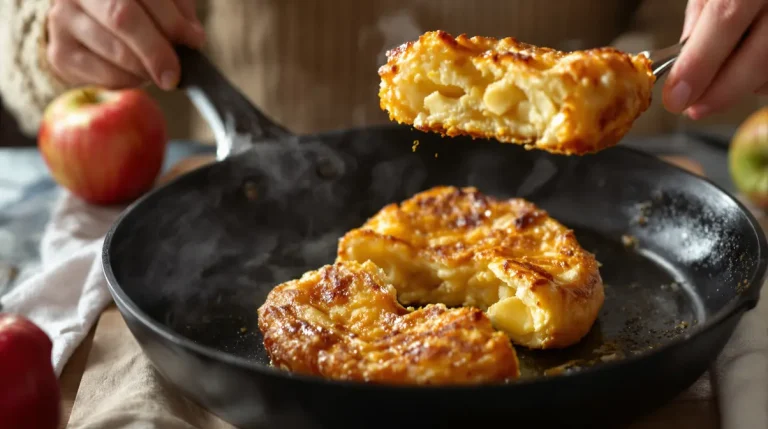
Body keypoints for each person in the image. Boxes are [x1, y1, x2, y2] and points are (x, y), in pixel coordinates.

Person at [0, 0, 765, 145]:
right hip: (234, 154)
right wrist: (45, 22)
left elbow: (688, 22)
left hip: (615, 168)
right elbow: (21, 24)